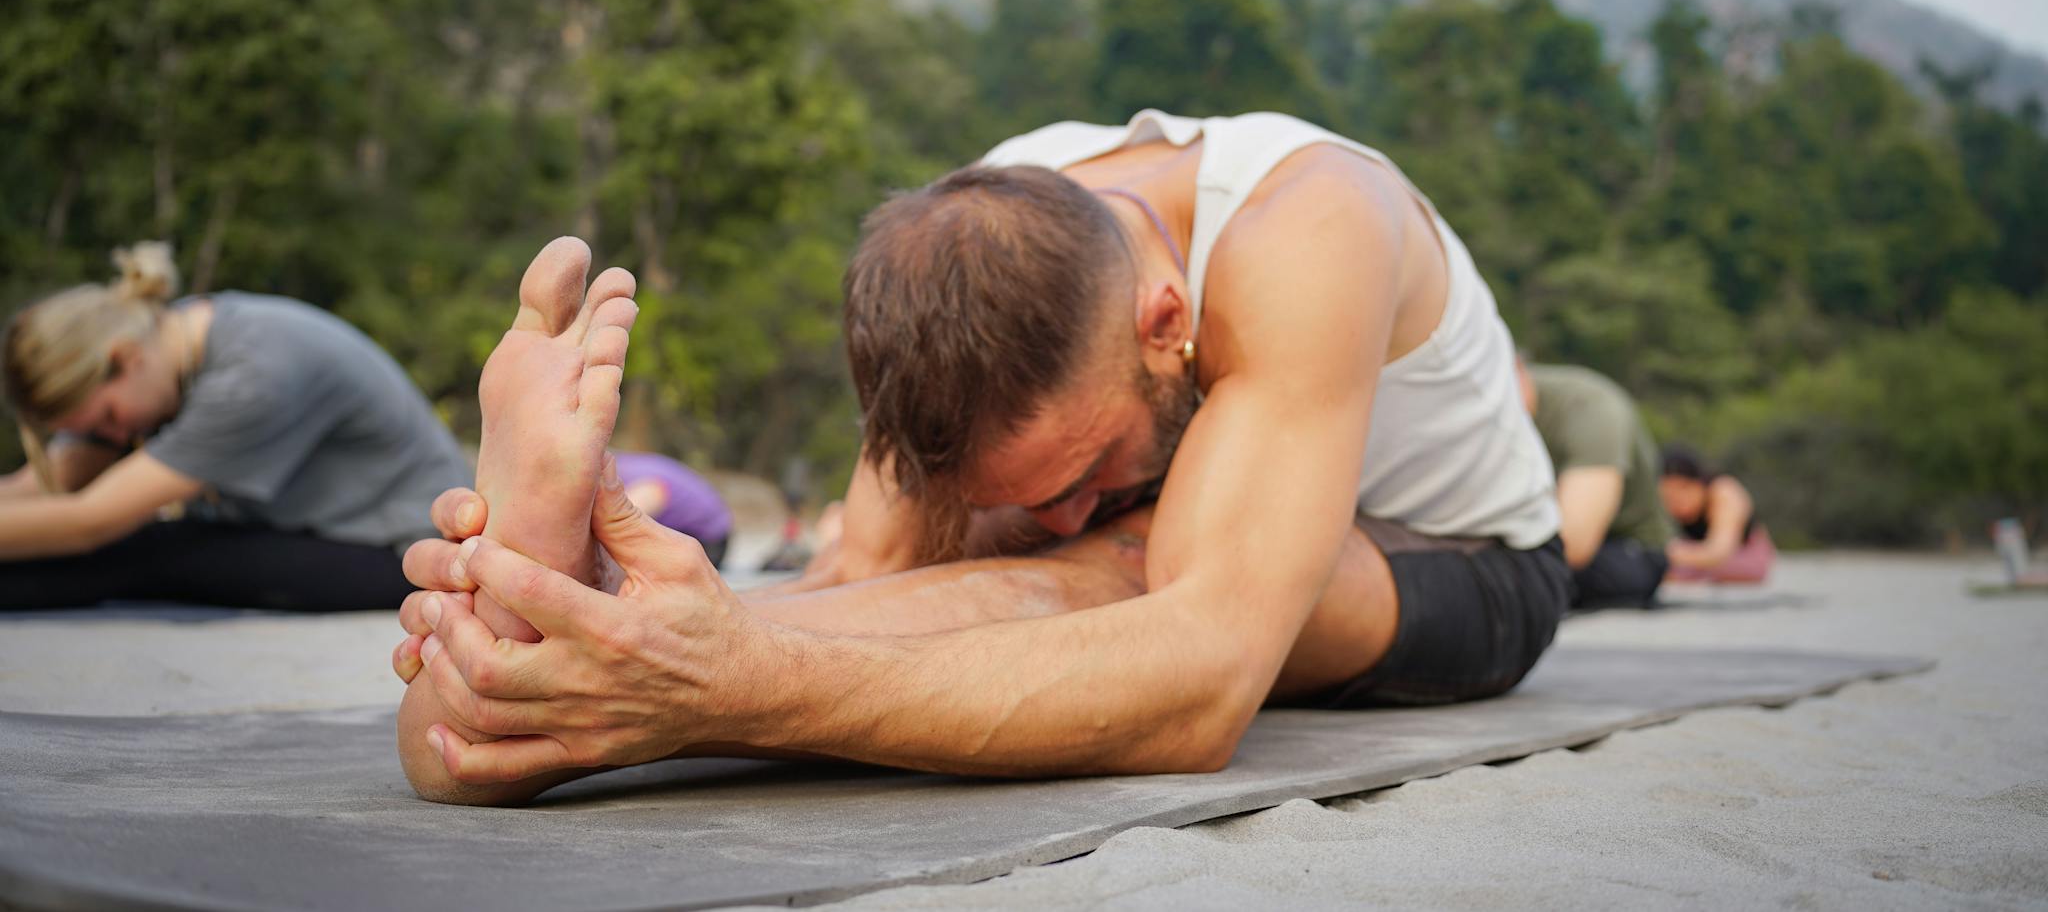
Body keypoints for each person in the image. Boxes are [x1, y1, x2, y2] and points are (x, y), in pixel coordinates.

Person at [390, 110, 1569, 806]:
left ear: (1167, 323)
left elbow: (1204, 681)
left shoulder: (1306, 222)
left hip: (1463, 562)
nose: (1048, 515)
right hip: (1159, 509)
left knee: (1132, 561)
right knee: (965, 556)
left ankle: (593, 682)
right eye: (1027, 491)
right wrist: (611, 627)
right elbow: (860, 584)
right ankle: (541, 664)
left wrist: (726, 685)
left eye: (1075, 470)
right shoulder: (977, 242)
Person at [0, 243, 471, 611]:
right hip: (313, 530)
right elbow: (48, 484)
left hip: (401, 552)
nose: (115, 437)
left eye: (108, 419)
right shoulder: (166, 341)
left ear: (123, 358)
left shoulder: (251, 375)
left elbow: (89, 522)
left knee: (149, 551)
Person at [1518, 359, 1676, 608]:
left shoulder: (1590, 407)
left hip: (1626, 547)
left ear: (1517, 371)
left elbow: (1574, 546)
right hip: (1532, 542)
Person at [1659, 445, 1775, 583]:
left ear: (1699, 482)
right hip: (1694, 556)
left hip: (1743, 555)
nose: (1677, 501)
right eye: (1669, 496)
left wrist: (1669, 553)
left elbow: (1719, 551)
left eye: (1683, 488)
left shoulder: (1724, 492)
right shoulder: (1660, 500)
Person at [614, 452, 732, 568]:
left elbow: (621, 524)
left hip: (708, 543)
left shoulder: (639, 481)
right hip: (702, 530)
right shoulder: (627, 465)